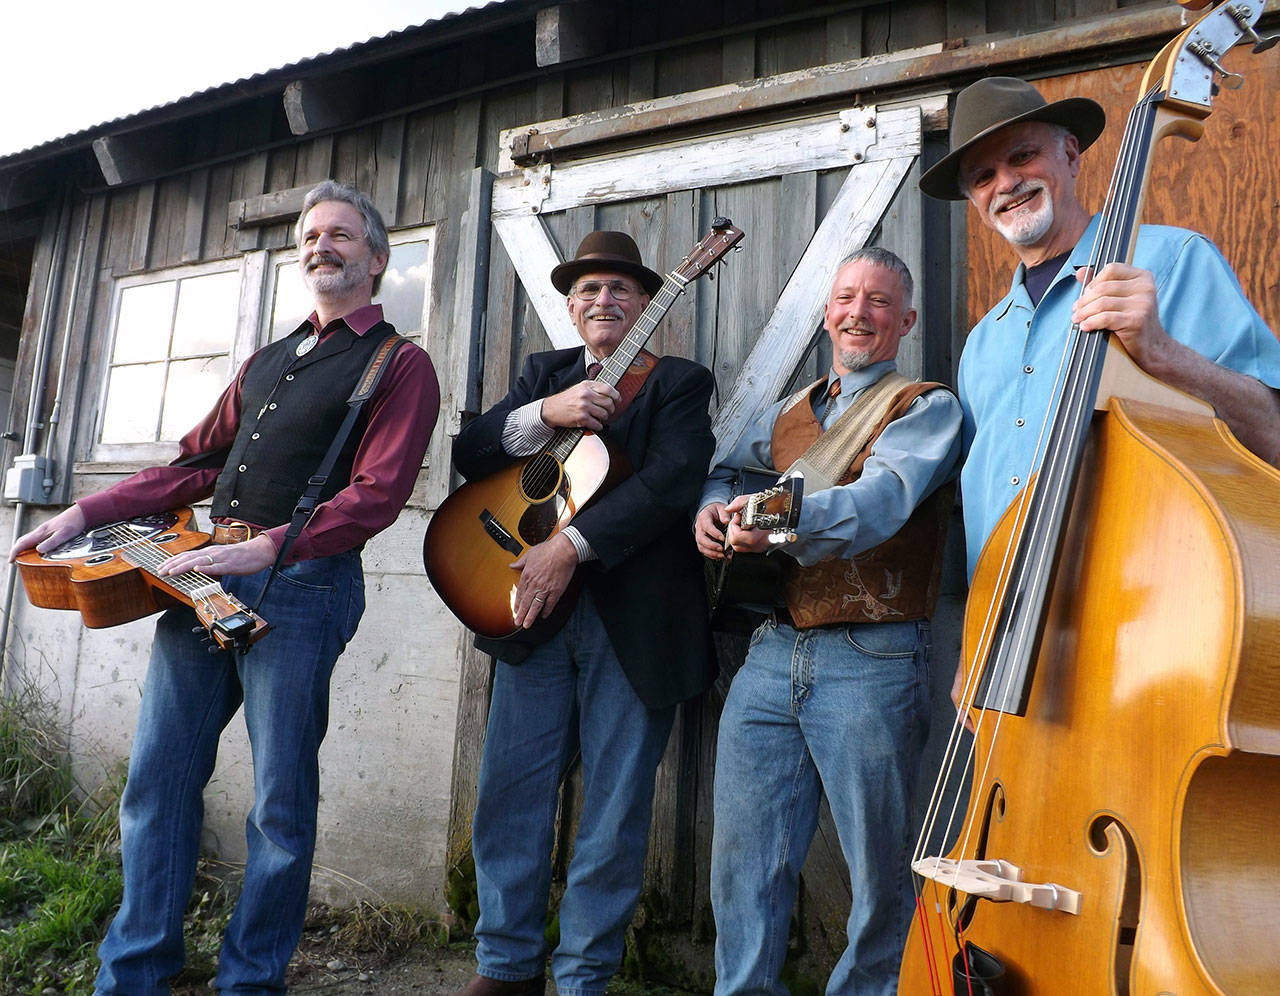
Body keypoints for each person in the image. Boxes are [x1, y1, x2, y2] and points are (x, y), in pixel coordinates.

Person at [10, 180, 441, 993]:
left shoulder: (399, 363)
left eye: (342, 234)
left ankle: (249, 981)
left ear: (376, 259)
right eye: (312, 234)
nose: (322, 244)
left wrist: (271, 547)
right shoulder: (270, 360)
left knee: (279, 805)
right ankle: (135, 972)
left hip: (304, 586)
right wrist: (82, 513)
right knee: (157, 782)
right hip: (202, 580)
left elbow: (376, 495)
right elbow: (194, 466)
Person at [449, 231, 716, 996]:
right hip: (535, 621)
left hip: (635, 623)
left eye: (620, 290)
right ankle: (505, 964)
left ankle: (584, 975)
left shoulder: (680, 382)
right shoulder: (545, 374)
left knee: (615, 807)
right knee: (510, 791)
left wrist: (571, 546)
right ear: (570, 307)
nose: (605, 301)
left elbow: (670, 483)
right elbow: (473, 452)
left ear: (647, 306)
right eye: (590, 291)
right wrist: (547, 410)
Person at [694, 248, 962, 995]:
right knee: (742, 865)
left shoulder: (926, 408)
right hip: (773, 651)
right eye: (846, 297)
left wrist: (771, 519)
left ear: (904, 321)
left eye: (879, 302)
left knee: (879, 872)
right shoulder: (790, 413)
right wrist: (710, 511)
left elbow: (881, 501)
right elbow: (722, 468)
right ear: (826, 313)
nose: (858, 313)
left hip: (872, 656)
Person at [917, 76, 1280, 576]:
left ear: (1070, 154)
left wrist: (1162, 354)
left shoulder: (1172, 261)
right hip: (1005, 635)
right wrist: (974, 650)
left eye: (1022, 157)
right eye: (983, 177)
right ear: (975, 204)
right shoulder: (982, 344)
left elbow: (1273, 436)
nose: (1005, 184)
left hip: (1146, 614)